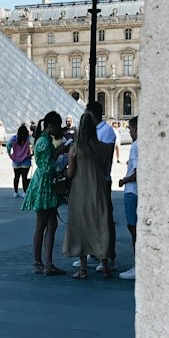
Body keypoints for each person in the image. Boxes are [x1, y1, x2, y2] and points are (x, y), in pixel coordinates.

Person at [63, 110, 114, 278]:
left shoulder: (75, 148)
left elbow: (70, 173)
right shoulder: (103, 148)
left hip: (80, 190)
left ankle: (83, 269)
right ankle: (105, 266)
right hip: (98, 188)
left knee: (80, 226)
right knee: (100, 225)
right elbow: (107, 169)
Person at [21, 110, 65, 275]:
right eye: (58, 126)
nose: (59, 129)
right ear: (51, 125)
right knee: (41, 225)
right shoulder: (44, 142)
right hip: (45, 185)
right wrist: (61, 168)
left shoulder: (43, 140)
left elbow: (47, 160)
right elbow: (47, 167)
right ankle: (40, 263)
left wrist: (58, 151)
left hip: (43, 184)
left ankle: (46, 263)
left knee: (51, 224)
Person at [86, 99, 118, 271]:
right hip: (91, 180)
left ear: (91, 115)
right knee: (93, 217)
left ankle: (108, 255)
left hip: (102, 180)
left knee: (105, 219)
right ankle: (94, 252)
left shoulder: (106, 131)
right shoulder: (93, 131)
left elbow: (105, 158)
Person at [118, 115, 138, 280]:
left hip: (132, 191)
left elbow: (138, 172)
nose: (129, 131)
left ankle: (137, 265)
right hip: (137, 192)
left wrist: (124, 179)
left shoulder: (136, 146)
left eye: (130, 128)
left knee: (134, 230)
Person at [7, 124, 33, 197]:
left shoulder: (13, 138)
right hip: (26, 159)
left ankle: (16, 192)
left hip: (15, 160)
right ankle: (25, 192)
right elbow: (34, 144)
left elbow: (8, 145)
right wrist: (32, 153)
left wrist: (9, 154)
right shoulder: (28, 139)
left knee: (16, 176)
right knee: (24, 177)